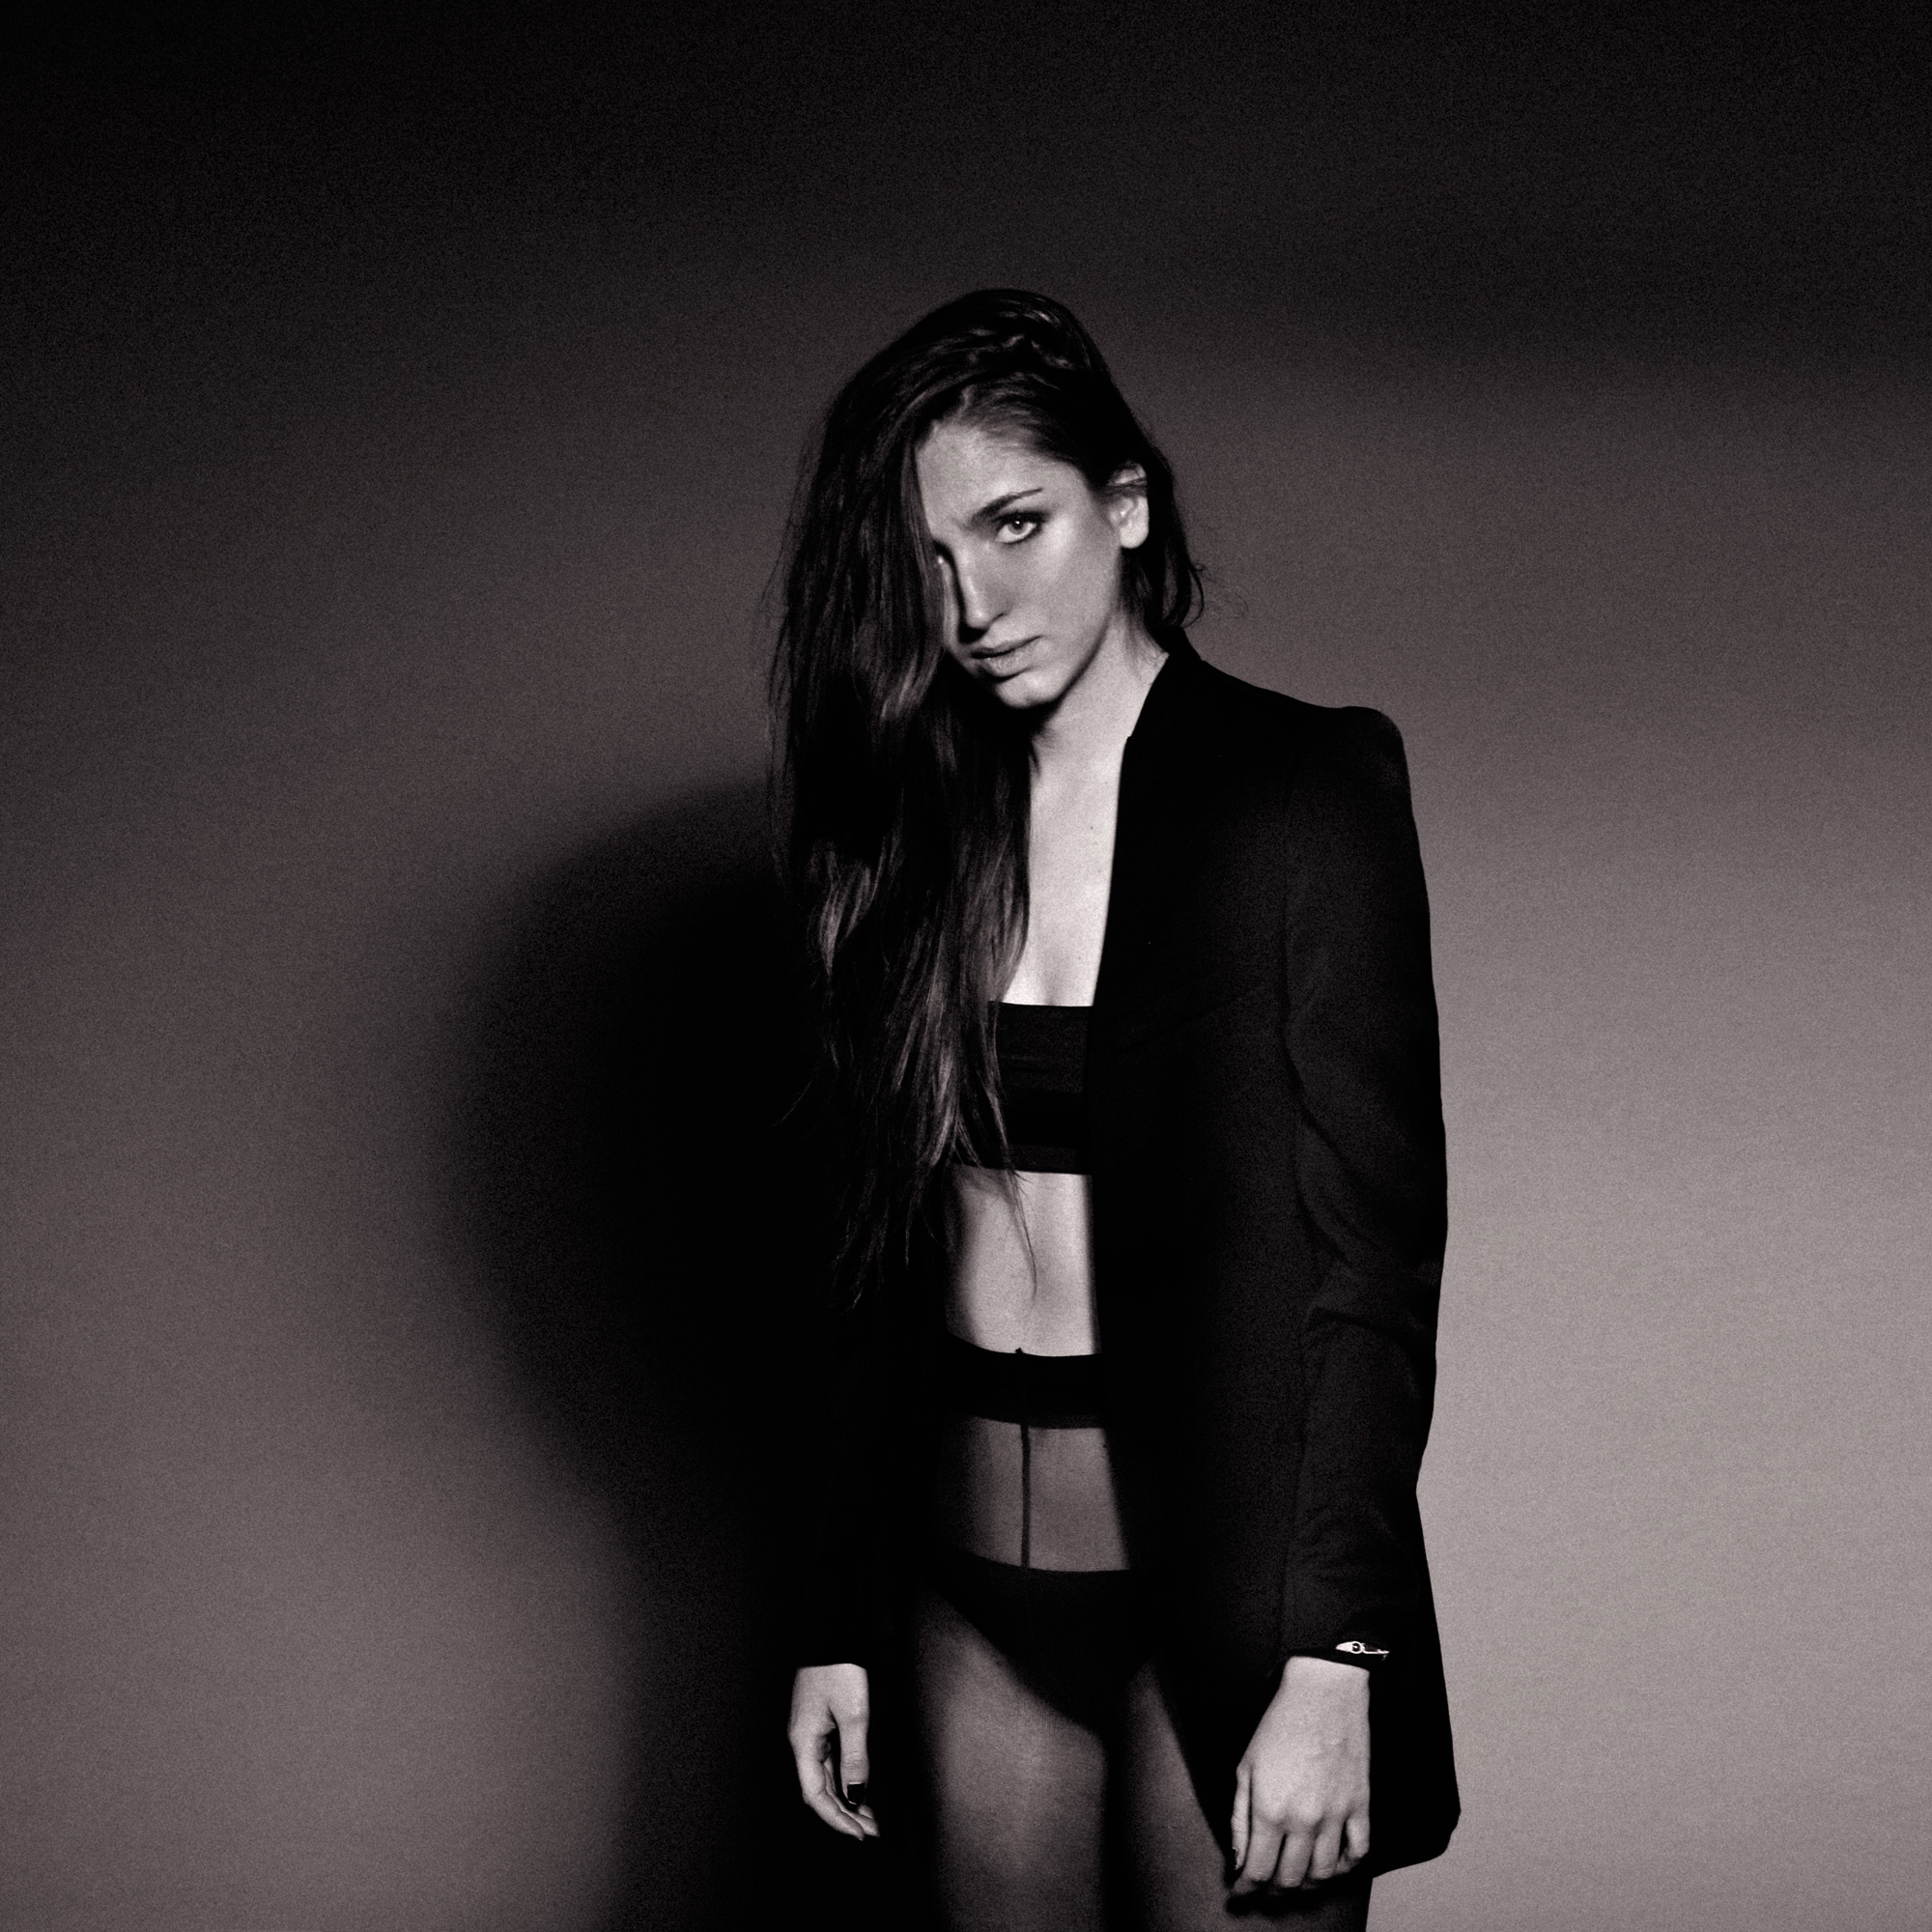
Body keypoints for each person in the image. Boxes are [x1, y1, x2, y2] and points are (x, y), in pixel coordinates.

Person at [774, 290, 1457, 1930]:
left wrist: (1338, 1657)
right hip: (962, 1597)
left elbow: (1374, 1265)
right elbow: (862, 1270)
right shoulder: (903, 831)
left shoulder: (1301, 794)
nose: (973, 603)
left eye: (1017, 525)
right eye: (928, 559)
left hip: (1226, 1604)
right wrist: (835, 1618)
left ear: (1127, 505)